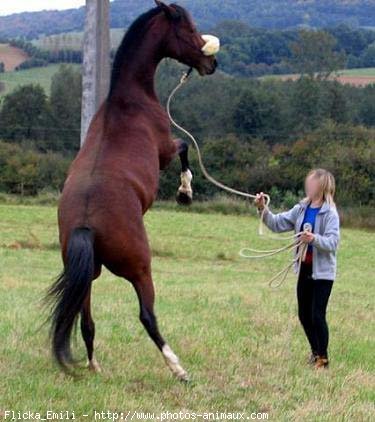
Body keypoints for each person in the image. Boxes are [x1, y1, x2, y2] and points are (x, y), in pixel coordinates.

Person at [254, 168, 340, 369]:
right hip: (304, 268)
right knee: (304, 314)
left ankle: (323, 359)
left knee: (317, 314)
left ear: (321, 186)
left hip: (323, 273)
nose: (307, 186)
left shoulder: (330, 213)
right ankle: (315, 351)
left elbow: (333, 242)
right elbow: (276, 224)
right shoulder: (300, 209)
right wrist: (262, 209)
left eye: (311, 183)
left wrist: (313, 239)